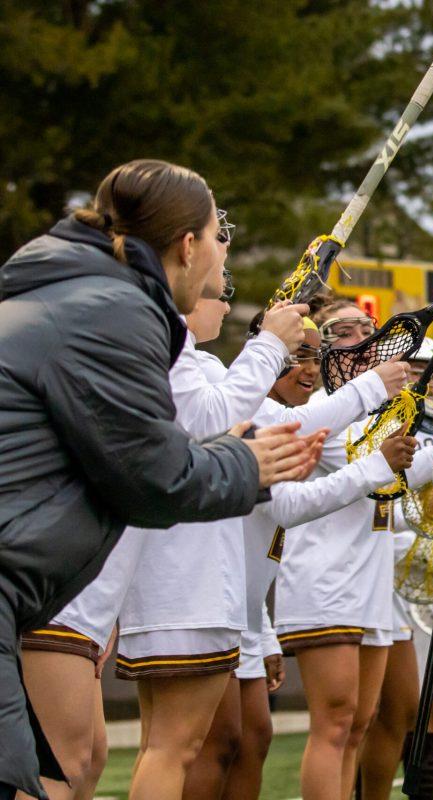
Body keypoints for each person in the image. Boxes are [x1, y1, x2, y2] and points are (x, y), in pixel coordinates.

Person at [0, 159, 315, 800]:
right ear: (188, 245)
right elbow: (155, 476)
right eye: (217, 239)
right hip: (29, 592)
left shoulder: (77, 287)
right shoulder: (118, 308)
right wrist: (247, 465)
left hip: (31, 592)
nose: (220, 269)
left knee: (57, 771)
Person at [187, 313, 417, 800]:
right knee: (197, 744)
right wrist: (381, 410)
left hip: (257, 605)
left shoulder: (319, 414)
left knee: (259, 737)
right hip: (270, 591)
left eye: (313, 356)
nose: (308, 369)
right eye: (297, 356)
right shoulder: (279, 415)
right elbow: (292, 501)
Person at [274, 297, 409, 800]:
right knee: (333, 724)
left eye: (367, 327)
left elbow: (403, 472)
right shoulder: (316, 414)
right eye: (344, 328)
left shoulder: (382, 412)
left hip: (369, 580)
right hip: (324, 579)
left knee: (359, 724)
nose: (360, 335)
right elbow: (370, 460)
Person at [359, 338, 433, 800]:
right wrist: (407, 547)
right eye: (413, 367)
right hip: (393, 584)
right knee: (388, 710)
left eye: (432, 369)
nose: (424, 377)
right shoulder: (373, 428)